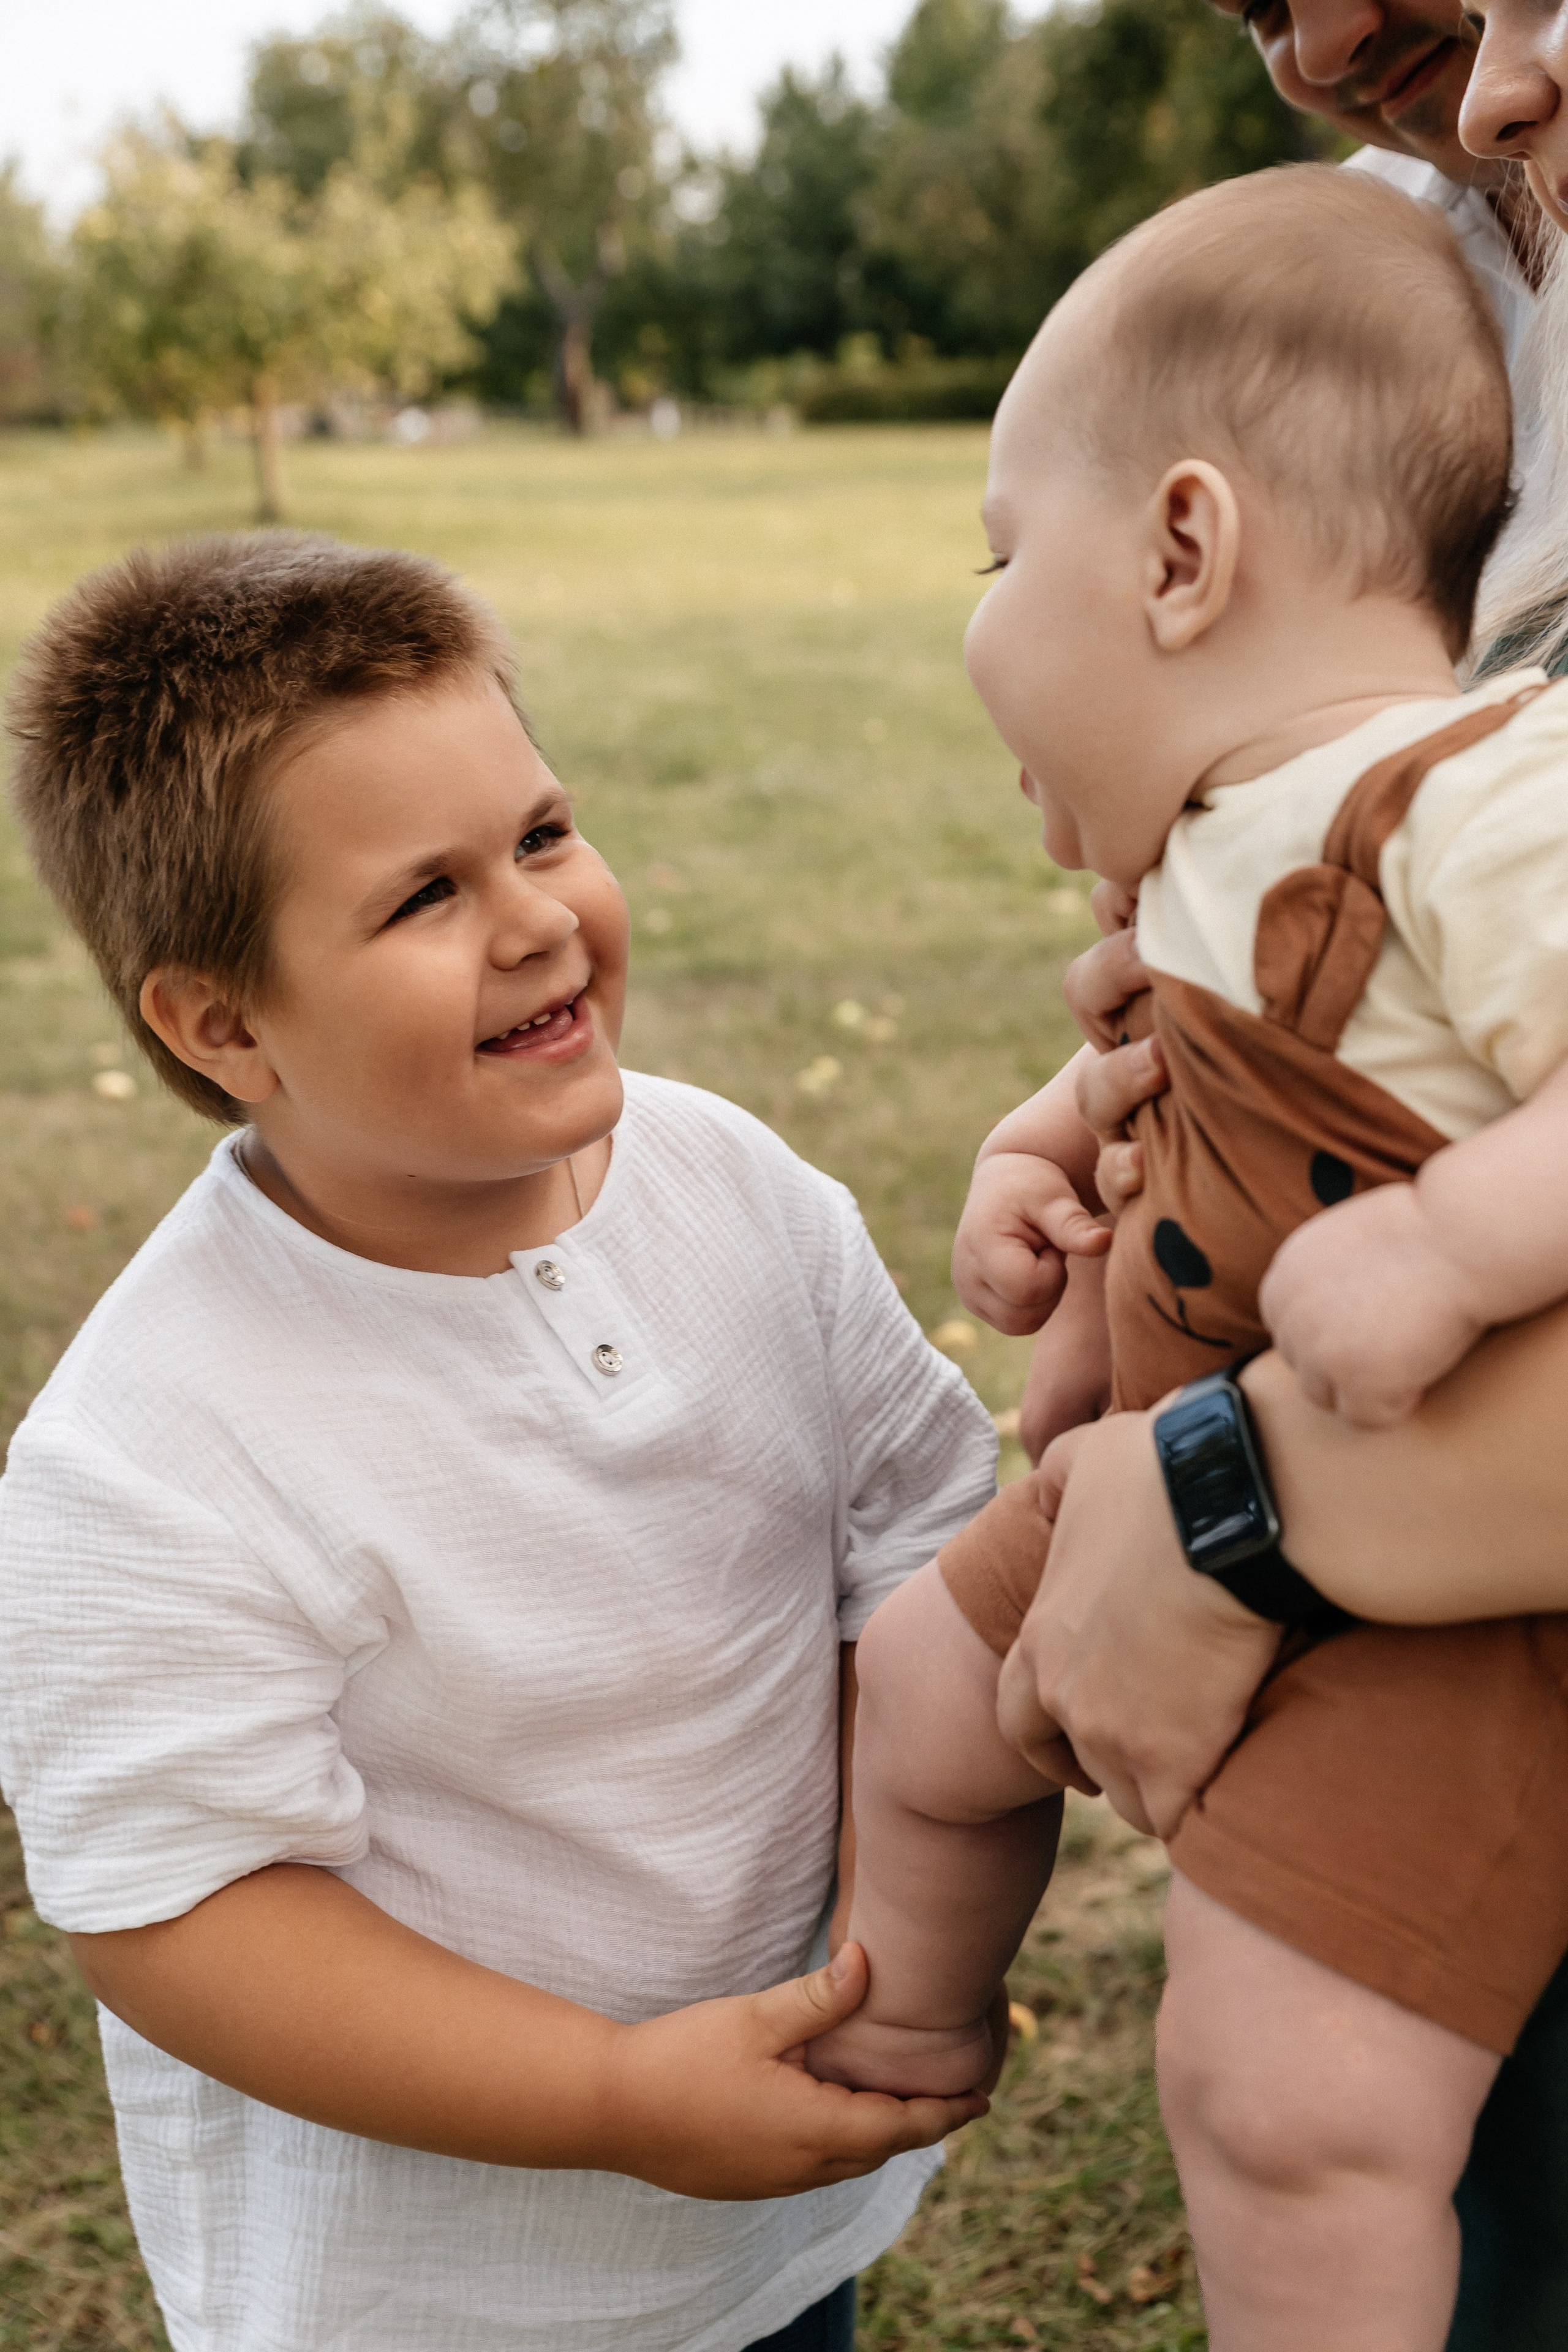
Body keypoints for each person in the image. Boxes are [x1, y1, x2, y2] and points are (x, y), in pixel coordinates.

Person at [0, 533, 998, 2352]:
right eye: (423, 898)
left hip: (766, 2197)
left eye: (541, 834)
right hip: (438, 2295)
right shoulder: (150, 1451)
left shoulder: (736, 1191)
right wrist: (616, 2096)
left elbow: (915, 1544)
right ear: (224, 1023)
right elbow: (183, 1909)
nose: (538, 918)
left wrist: (882, 1937)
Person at [807, 161, 1568, 2351]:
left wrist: (1450, 1244)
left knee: (1278, 2089)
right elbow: (1184, 1071)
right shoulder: (1217, 849)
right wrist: (1045, 1150)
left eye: (997, 551)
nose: (974, 613)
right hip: (1179, 1455)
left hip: (1444, 1594)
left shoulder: (1476, 795)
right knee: (929, 1687)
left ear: (1177, 550)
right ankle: (908, 2037)